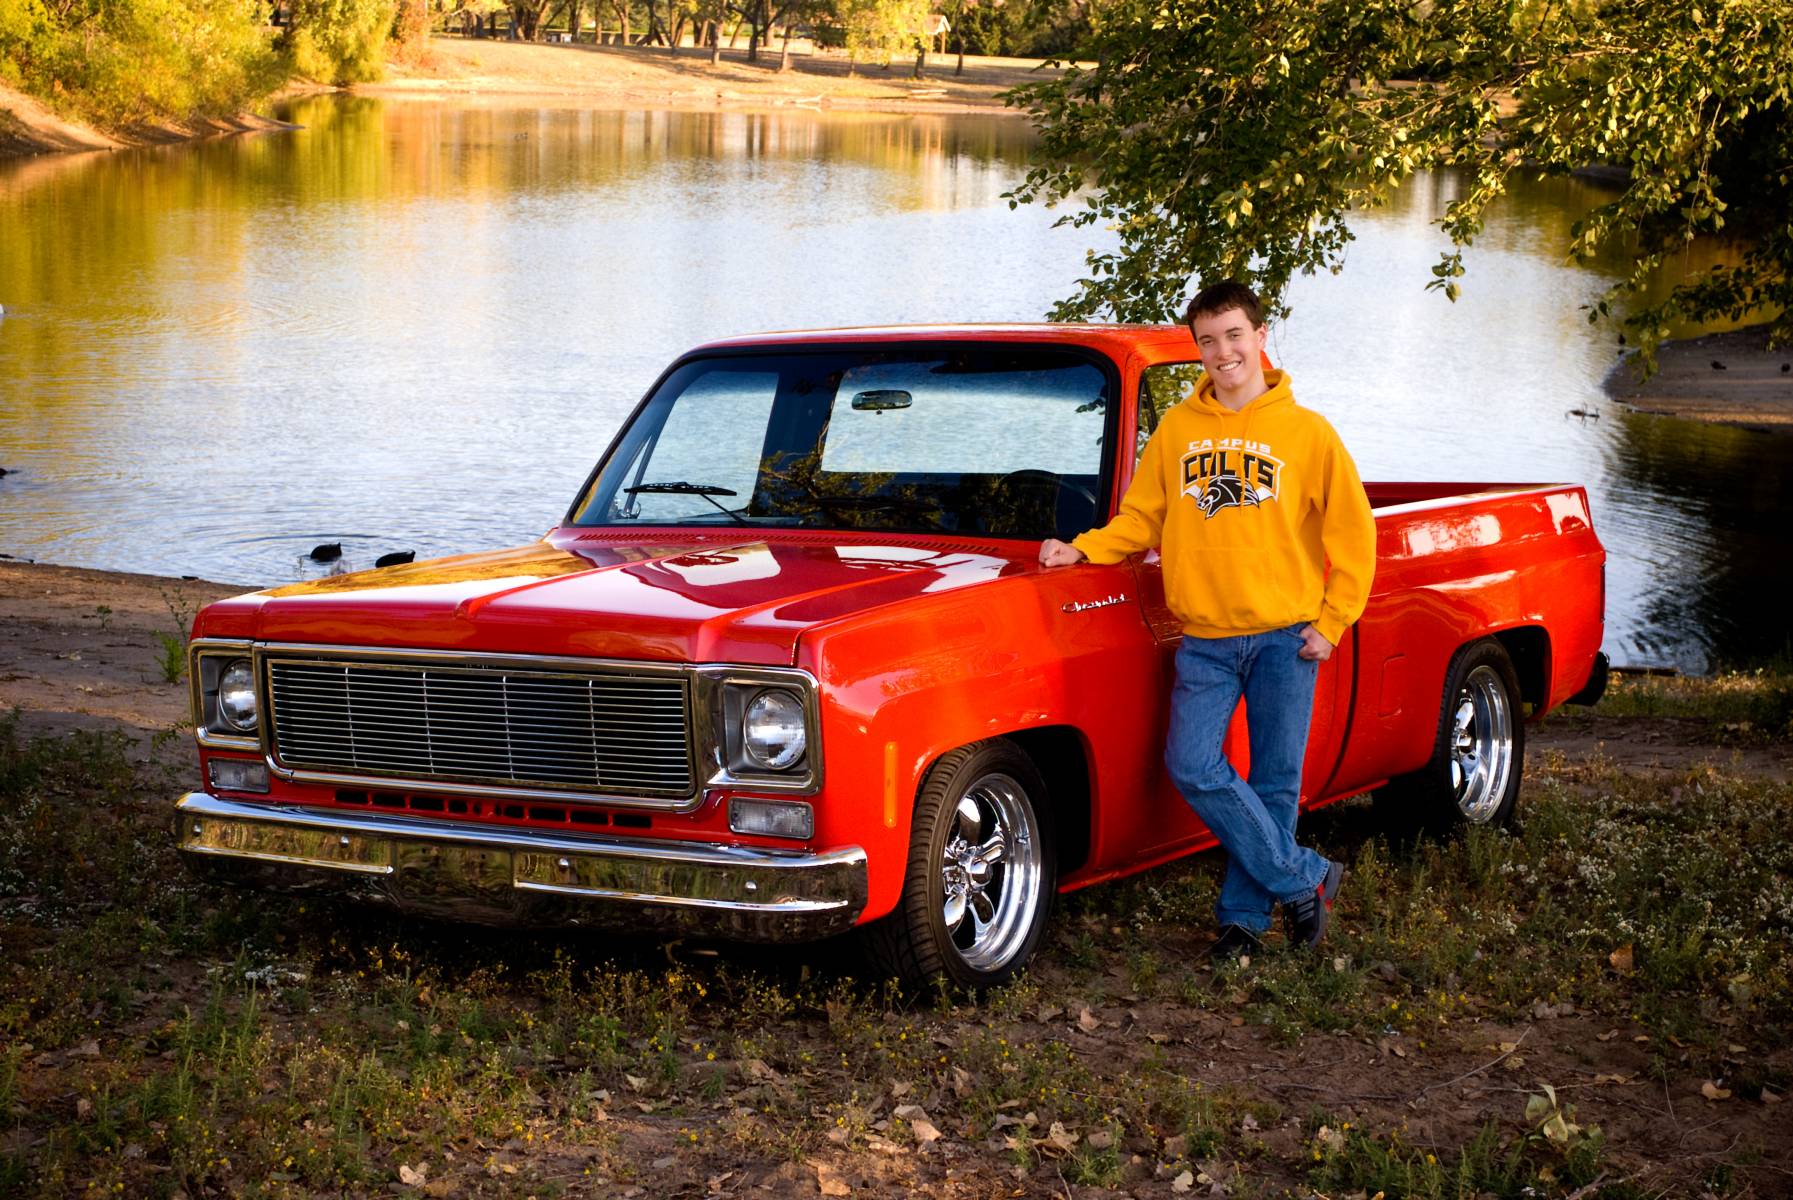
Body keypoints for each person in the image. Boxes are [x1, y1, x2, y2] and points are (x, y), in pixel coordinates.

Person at [1039, 281, 1376, 955]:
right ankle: (1305, 878)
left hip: (1286, 637)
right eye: (1207, 340)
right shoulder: (1177, 432)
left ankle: (1243, 925)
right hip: (1206, 641)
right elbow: (1140, 519)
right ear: (1195, 349)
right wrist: (1082, 547)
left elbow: (1352, 535)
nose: (1222, 352)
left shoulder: (1308, 434)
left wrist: (1332, 621)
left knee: (1274, 783)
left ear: (1260, 336)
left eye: (1232, 335)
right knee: (1190, 764)